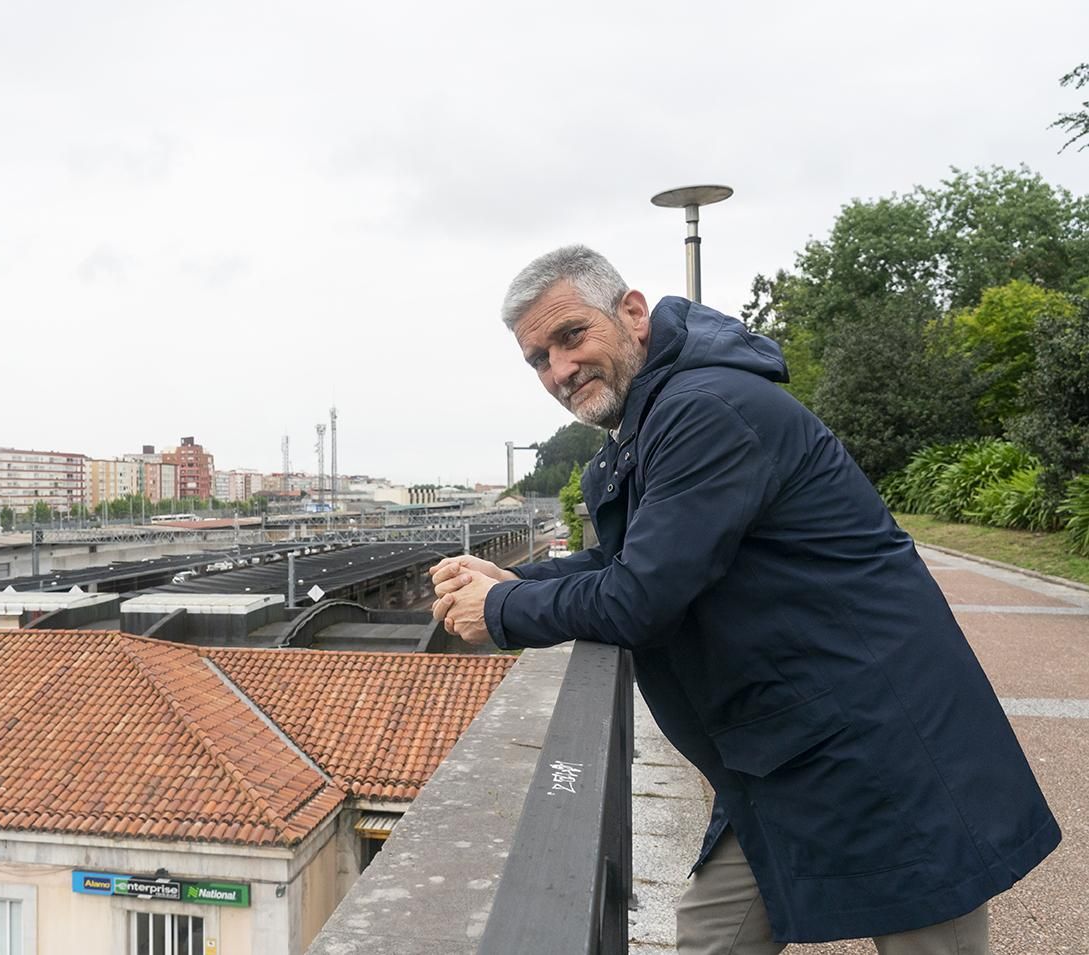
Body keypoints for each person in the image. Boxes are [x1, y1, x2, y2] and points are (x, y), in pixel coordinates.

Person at [430, 245, 1060, 953]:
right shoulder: (650, 426)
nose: (559, 369)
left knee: (927, 934)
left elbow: (639, 596)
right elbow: (626, 559)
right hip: (786, 747)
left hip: (876, 740)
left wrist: (498, 612)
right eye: (538, 358)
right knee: (711, 934)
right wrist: (515, 581)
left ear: (632, 313)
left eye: (571, 335)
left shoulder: (705, 412)